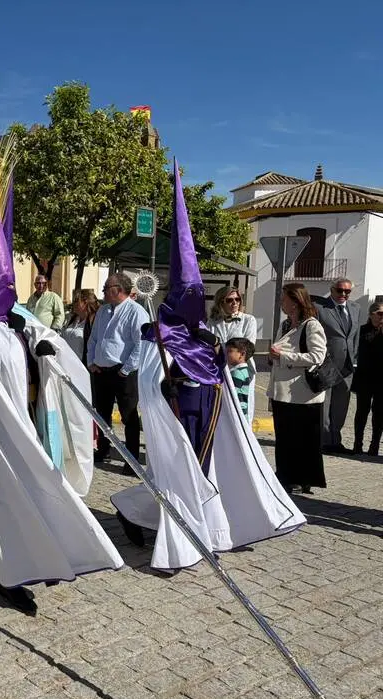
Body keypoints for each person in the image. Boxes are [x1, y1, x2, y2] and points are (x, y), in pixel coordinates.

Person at [0, 135, 122, 613]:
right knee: (11, 495)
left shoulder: (8, 324)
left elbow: (48, 355)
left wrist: (43, 346)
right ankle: (12, 568)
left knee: (27, 495)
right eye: (0, 283)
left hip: (21, 423)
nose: (8, 288)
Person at [111, 161, 304, 570]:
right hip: (178, 420)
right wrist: (168, 387)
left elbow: (226, 376)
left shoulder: (204, 335)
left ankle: (142, 512)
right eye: (189, 294)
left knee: (197, 478)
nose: (195, 302)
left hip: (209, 420)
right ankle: (171, 530)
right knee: (177, 477)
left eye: (200, 294)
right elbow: (150, 380)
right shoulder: (158, 334)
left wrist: (211, 351)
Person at [268, 283, 328, 494]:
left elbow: (317, 356)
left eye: (284, 299)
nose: (281, 303)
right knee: (284, 438)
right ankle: (285, 475)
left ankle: (303, 478)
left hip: (303, 394)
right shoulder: (285, 325)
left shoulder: (312, 326)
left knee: (304, 440)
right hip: (282, 392)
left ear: (295, 301)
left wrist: (284, 357)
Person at [86, 272, 148, 470]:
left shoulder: (136, 312)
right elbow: (94, 338)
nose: (103, 291)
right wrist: (91, 361)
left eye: (106, 288)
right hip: (101, 371)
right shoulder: (103, 311)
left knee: (128, 416)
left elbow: (140, 344)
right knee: (102, 414)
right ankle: (103, 449)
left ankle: (131, 459)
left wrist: (126, 369)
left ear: (118, 290)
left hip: (123, 372)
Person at [315, 278, 360, 454]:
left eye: (347, 291)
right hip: (327, 363)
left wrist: (355, 358)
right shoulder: (320, 307)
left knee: (341, 405)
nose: (343, 294)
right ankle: (324, 441)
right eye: (339, 290)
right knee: (325, 405)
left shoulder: (355, 308)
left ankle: (336, 440)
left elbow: (353, 336)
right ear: (331, 289)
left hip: (347, 365)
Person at [207, 286, 258, 418]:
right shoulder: (213, 322)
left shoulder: (248, 320)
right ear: (221, 302)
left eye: (237, 299)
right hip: (219, 372)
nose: (235, 303)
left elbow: (247, 347)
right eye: (229, 300)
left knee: (241, 410)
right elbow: (207, 346)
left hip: (241, 372)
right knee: (221, 412)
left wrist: (219, 346)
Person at [352, 302, 383, 455]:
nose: (382, 317)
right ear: (371, 314)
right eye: (380, 313)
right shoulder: (362, 331)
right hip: (364, 377)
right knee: (361, 412)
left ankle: (374, 446)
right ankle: (357, 443)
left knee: (379, 414)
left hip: (381, 380)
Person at [61, 289, 99, 365]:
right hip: (67, 363)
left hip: (82, 365)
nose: (73, 304)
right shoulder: (72, 319)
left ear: (86, 303)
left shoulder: (94, 322)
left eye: (76, 301)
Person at [226, 337, 254, 421]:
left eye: (230, 351)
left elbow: (232, 392)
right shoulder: (243, 370)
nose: (227, 354)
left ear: (242, 354)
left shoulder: (237, 373)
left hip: (237, 414)